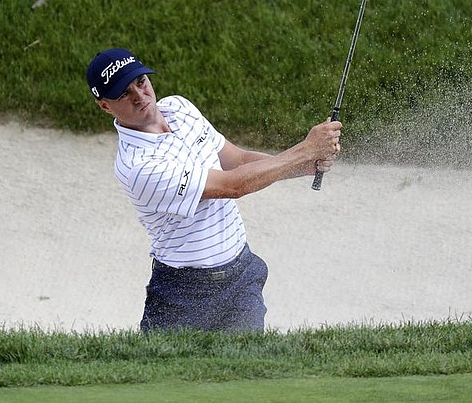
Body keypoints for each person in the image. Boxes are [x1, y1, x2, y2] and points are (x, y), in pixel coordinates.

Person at [85, 48, 341, 333]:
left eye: (141, 82)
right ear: (105, 106)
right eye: (123, 94)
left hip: (241, 272)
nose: (139, 96)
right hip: (184, 294)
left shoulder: (179, 108)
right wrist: (305, 150)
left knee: (248, 372)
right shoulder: (138, 166)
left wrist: (304, 166)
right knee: (169, 377)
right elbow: (232, 185)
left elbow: (238, 160)